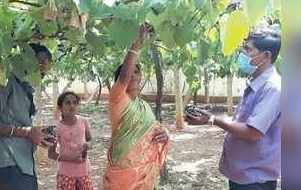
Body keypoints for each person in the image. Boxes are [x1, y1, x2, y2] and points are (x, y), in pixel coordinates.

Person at [186, 31, 281, 190]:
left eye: (248, 50)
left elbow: (253, 132)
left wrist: (212, 119)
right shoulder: (256, 83)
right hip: (243, 174)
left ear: (266, 56)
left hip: (255, 180)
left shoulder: (272, 88)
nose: (242, 53)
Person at [103, 23, 170, 190]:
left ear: (141, 77)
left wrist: (165, 133)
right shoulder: (117, 99)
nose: (133, 74)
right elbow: (125, 75)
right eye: (130, 71)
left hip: (145, 173)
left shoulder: (144, 106)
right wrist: (138, 43)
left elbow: (154, 129)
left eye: (137, 71)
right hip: (123, 172)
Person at [0, 43, 55, 190]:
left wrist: (36, 133)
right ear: (24, 60)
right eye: (40, 64)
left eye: (45, 67)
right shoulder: (3, 80)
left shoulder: (23, 86)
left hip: (22, 161)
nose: (43, 71)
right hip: (8, 162)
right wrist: (27, 132)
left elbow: (16, 122)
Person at [48, 91, 94, 190]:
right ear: (60, 107)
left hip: (84, 172)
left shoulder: (83, 121)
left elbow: (90, 140)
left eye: (74, 102)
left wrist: (88, 145)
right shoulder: (57, 128)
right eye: (67, 103)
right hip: (66, 174)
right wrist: (70, 159)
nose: (72, 105)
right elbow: (51, 154)